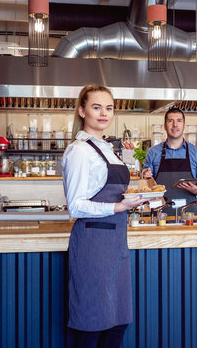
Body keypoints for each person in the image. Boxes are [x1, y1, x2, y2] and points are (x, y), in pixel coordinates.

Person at [62, 84, 145, 348]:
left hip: (117, 244)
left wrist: (137, 197)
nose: (104, 113)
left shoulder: (107, 148)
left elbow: (113, 193)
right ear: (82, 110)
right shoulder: (79, 151)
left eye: (109, 108)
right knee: (91, 322)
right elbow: (75, 206)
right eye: (96, 107)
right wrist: (118, 207)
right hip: (92, 246)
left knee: (118, 322)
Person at [142, 107, 197, 215]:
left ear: (184, 126)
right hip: (159, 215)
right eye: (170, 121)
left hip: (189, 216)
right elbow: (146, 183)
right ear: (164, 126)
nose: (175, 125)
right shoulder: (153, 152)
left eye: (179, 121)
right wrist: (145, 176)